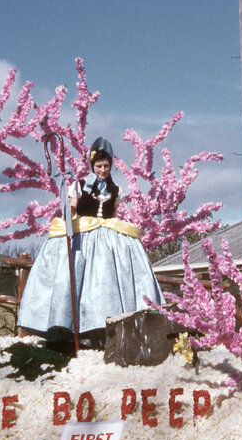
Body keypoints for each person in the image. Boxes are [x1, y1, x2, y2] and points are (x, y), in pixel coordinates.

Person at [16, 137, 163, 347]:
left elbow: (112, 213)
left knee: (105, 278)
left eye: (106, 166)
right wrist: (69, 216)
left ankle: (109, 325)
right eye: (99, 166)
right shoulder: (80, 185)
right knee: (78, 276)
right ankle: (69, 326)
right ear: (92, 165)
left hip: (106, 235)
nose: (102, 170)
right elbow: (73, 207)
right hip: (84, 233)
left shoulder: (115, 190)